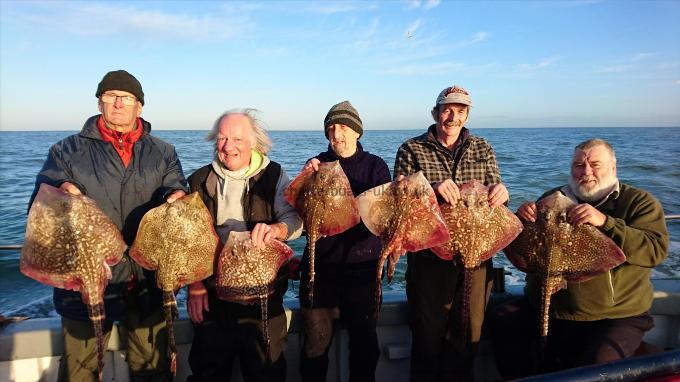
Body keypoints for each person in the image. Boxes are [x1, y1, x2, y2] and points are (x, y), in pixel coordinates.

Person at [30, 69, 188, 382]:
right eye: (110, 96)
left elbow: (175, 183)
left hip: (144, 278)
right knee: (81, 370)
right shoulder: (65, 151)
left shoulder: (163, 151)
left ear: (139, 107)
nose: (117, 103)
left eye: (125, 98)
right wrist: (61, 187)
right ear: (99, 102)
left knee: (151, 367)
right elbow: (42, 195)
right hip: (85, 279)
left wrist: (177, 195)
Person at [491, 138, 669, 378]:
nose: (586, 171)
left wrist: (605, 223)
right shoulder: (552, 198)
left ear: (613, 168)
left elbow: (655, 249)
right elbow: (526, 246)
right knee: (503, 320)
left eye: (596, 164)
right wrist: (521, 218)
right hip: (551, 305)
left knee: (596, 367)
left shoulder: (639, 202)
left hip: (614, 314)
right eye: (578, 165)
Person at [393, 85, 509, 381]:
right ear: (435, 112)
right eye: (447, 109)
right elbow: (398, 202)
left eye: (460, 111)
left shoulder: (482, 148)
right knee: (427, 339)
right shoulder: (411, 148)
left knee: (467, 335)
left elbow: (497, 192)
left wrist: (502, 193)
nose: (452, 116)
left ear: (467, 115)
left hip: (475, 253)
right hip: (429, 258)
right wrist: (430, 190)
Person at [186, 109, 303, 382]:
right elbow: (188, 239)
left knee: (267, 371)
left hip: (265, 295)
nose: (229, 146)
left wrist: (277, 229)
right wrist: (195, 285)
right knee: (208, 372)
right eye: (223, 138)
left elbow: (295, 219)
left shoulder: (273, 175)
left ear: (253, 142)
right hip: (214, 297)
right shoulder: (199, 180)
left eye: (237, 139)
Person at [297, 101, 391, 382]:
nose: (337, 134)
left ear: (357, 132)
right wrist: (305, 180)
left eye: (343, 127)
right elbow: (298, 213)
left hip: (363, 272)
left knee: (364, 347)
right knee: (315, 346)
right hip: (320, 271)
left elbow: (383, 217)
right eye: (331, 128)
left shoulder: (376, 166)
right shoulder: (317, 166)